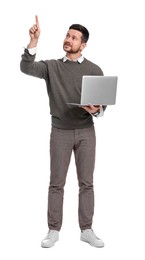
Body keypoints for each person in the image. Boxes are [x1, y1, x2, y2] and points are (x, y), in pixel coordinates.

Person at [20, 15, 107, 248]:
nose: (68, 40)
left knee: (86, 183)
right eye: (67, 35)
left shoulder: (94, 69)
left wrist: (95, 109)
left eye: (74, 37)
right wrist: (33, 41)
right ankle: (53, 230)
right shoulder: (51, 66)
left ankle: (86, 230)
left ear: (83, 44)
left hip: (87, 132)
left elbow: (102, 106)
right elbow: (26, 67)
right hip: (60, 131)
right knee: (56, 183)